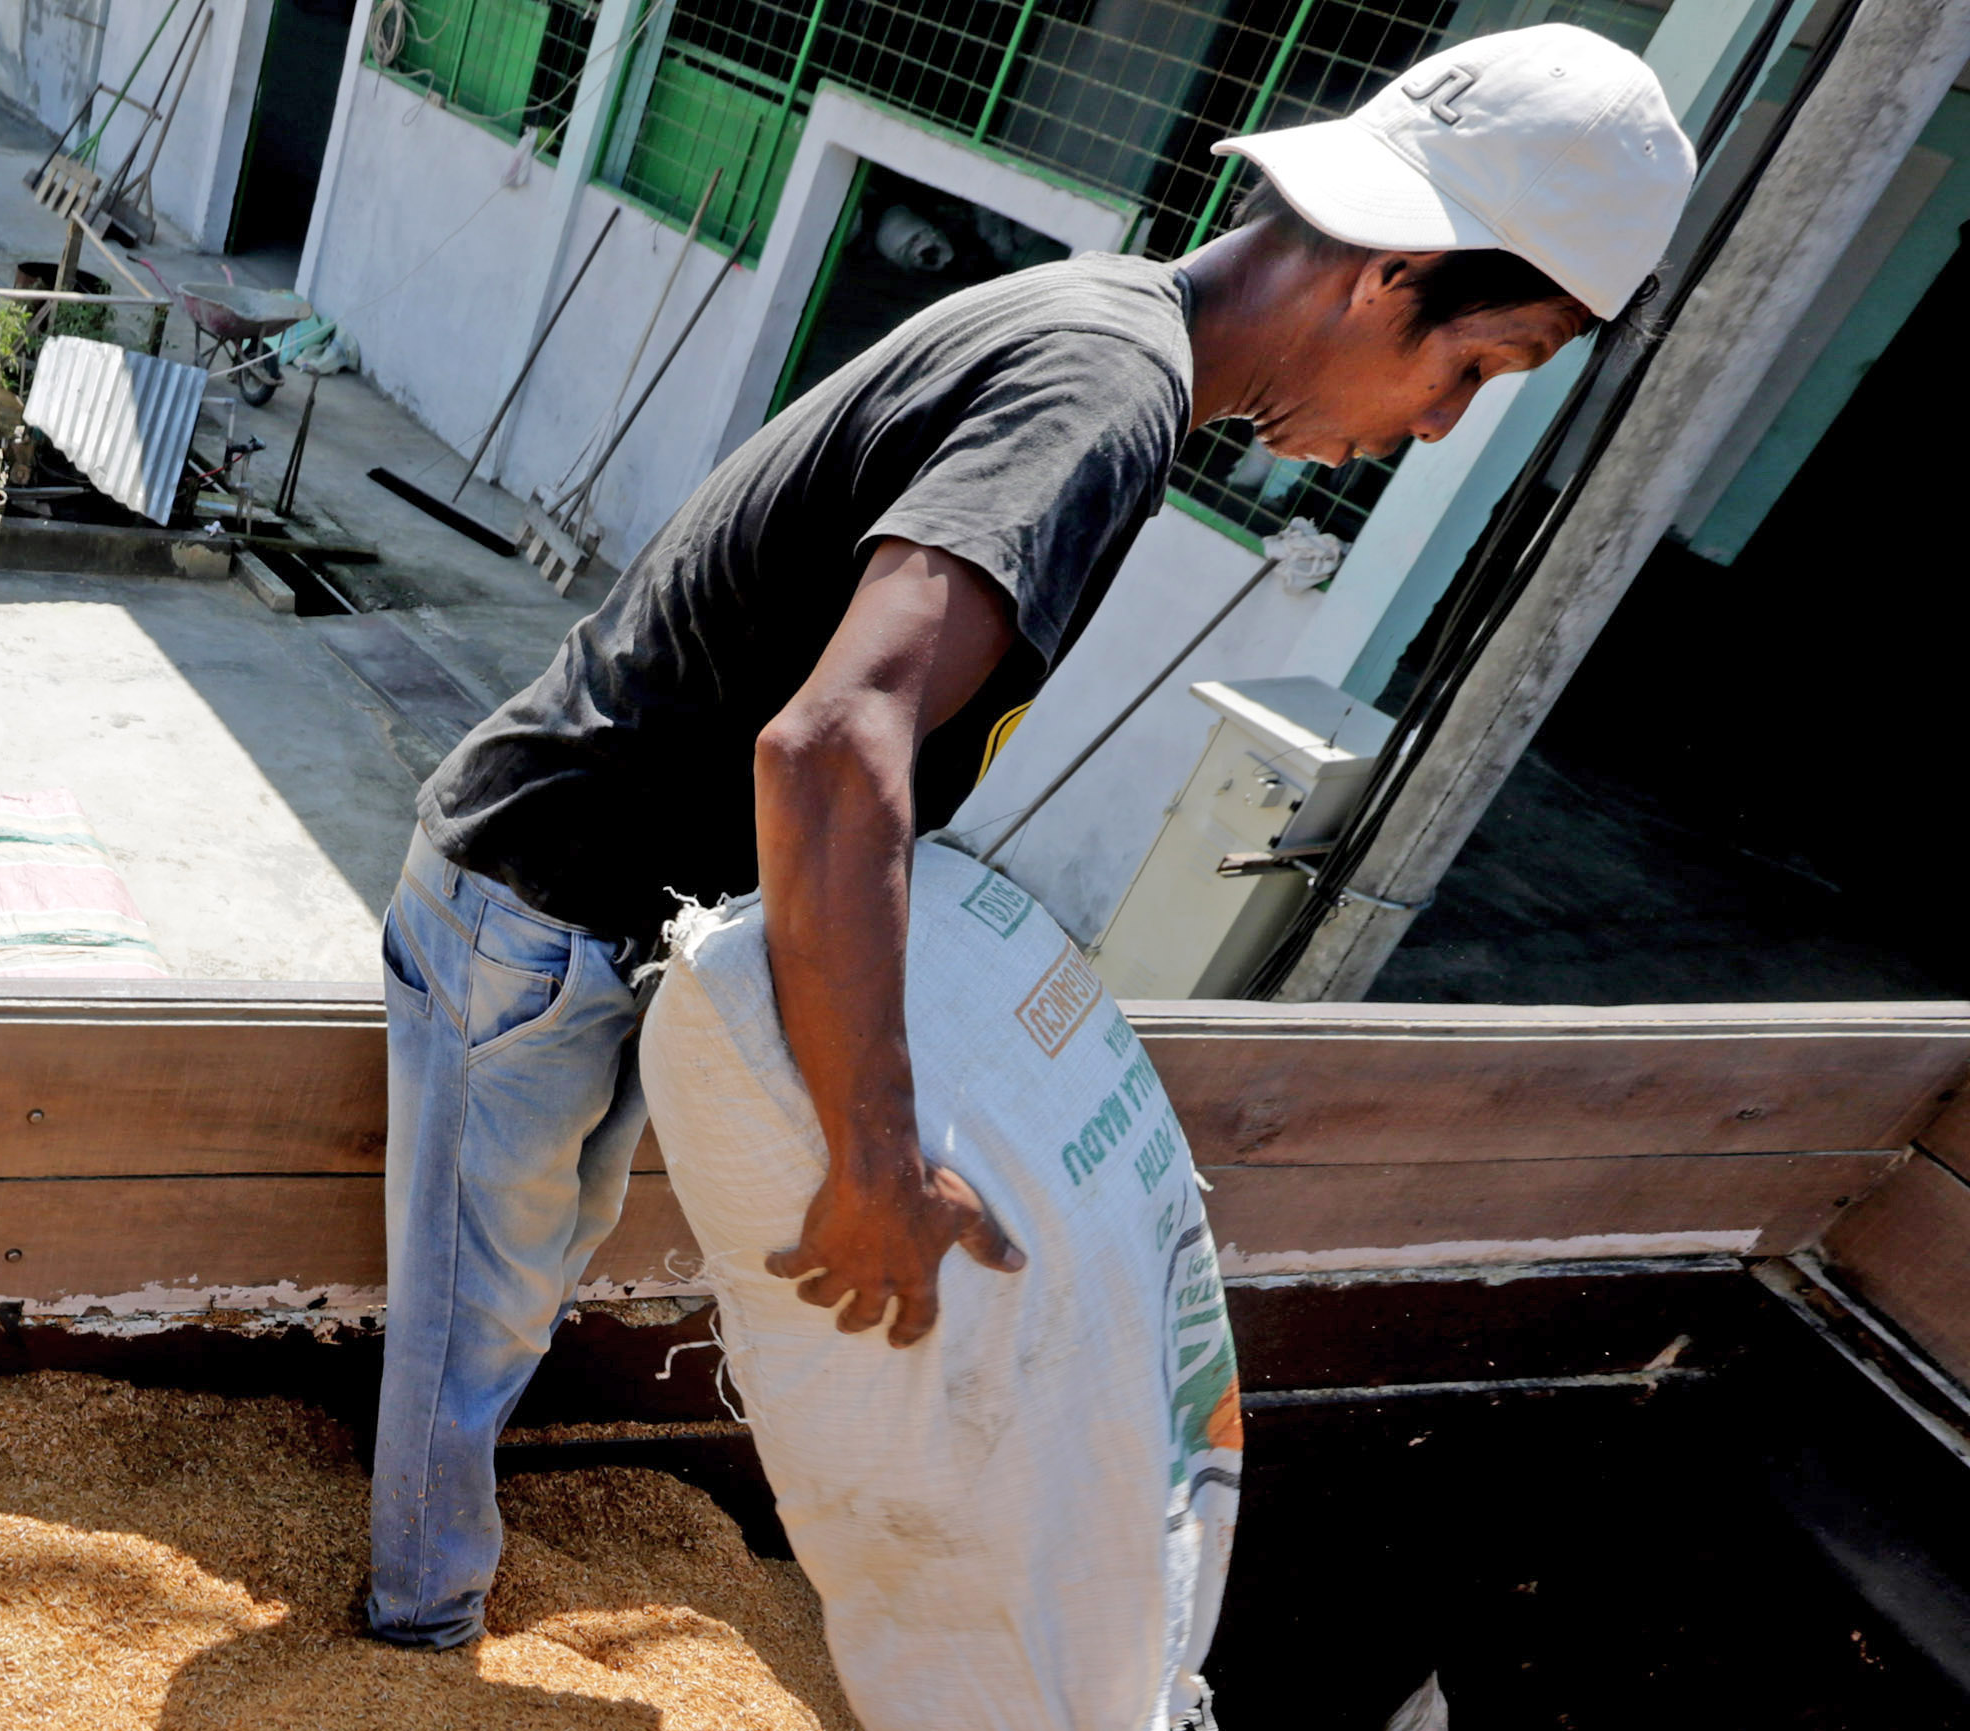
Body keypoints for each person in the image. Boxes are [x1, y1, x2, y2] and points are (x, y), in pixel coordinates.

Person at [361, 22, 1696, 1648]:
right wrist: (877, 1162)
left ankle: (432, 1597)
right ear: (1392, 271)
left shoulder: (1102, 334)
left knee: (523, 1272)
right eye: (1471, 372)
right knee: (471, 1316)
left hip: (616, 911)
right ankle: (414, 1636)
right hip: (543, 896)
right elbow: (836, 749)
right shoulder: (1102, 393)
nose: (1430, 430)